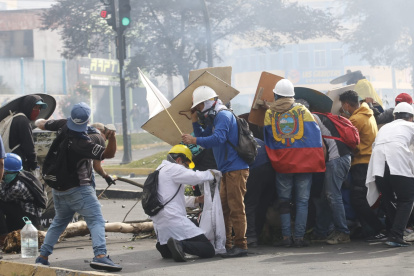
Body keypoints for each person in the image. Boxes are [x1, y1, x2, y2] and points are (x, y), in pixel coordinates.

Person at [34, 102, 121, 272]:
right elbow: (109, 154)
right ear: (88, 120)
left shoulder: (63, 124)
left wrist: (43, 121)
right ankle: (101, 256)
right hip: (79, 189)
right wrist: (112, 137)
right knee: (96, 220)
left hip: (59, 190)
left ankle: (42, 257)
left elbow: (41, 124)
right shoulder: (83, 144)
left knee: (59, 223)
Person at [181, 86, 249, 258]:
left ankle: (241, 244)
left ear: (207, 103)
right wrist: (195, 121)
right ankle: (225, 243)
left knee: (236, 207)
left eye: (199, 107)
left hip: (236, 168)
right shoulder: (215, 118)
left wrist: (194, 139)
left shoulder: (223, 116)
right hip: (226, 169)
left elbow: (218, 139)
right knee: (224, 208)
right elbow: (204, 141)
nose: (198, 110)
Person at [263, 79, 325, 247]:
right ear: (292, 95)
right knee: (302, 201)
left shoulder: (270, 114)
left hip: (282, 164)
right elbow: (315, 136)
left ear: (276, 95)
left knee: (284, 201)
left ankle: (286, 238)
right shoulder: (302, 110)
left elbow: (268, 138)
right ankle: (299, 238)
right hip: (304, 164)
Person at [152, 144, 221, 262]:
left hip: (159, 223)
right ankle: (180, 245)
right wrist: (212, 173)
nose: (188, 168)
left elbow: (171, 198)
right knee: (208, 249)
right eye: (187, 164)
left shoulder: (159, 170)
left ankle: (164, 247)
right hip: (173, 219)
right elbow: (195, 177)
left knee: (171, 242)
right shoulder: (173, 168)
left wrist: (196, 200)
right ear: (179, 160)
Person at [303, 100, 352, 245]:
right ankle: (320, 232)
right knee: (326, 197)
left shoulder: (311, 118)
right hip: (341, 158)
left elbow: (322, 147)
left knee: (333, 196)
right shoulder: (320, 117)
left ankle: (343, 232)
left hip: (336, 159)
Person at [366, 103, 414, 247]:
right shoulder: (411, 126)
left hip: (378, 165)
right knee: (406, 199)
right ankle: (396, 234)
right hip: (397, 162)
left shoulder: (385, 127)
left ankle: (395, 231)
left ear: (394, 116)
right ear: (411, 118)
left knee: (388, 198)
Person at [339, 90, 385, 241]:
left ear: (346, 104)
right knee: (367, 197)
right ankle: (371, 229)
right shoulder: (367, 113)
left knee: (357, 198)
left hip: (361, 162)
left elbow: (348, 140)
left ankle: (377, 228)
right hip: (371, 161)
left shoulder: (356, 119)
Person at [0, 153, 44, 234]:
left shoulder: (17, 187)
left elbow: (3, 197)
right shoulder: (21, 174)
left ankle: (3, 235)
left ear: (9, 172)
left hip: (28, 217)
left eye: (4, 173)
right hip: (22, 210)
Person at [244, 138, 276, 247]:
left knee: (250, 204)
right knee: (262, 205)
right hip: (270, 169)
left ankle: (251, 237)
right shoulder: (256, 140)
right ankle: (257, 235)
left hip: (255, 170)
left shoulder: (236, 139)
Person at [9, 95, 47, 172]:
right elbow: (29, 146)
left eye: (39, 108)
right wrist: (34, 165)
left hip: (10, 162)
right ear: (28, 106)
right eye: (35, 107)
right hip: (19, 165)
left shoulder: (16, 117)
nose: (38, 111)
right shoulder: (23, 121)